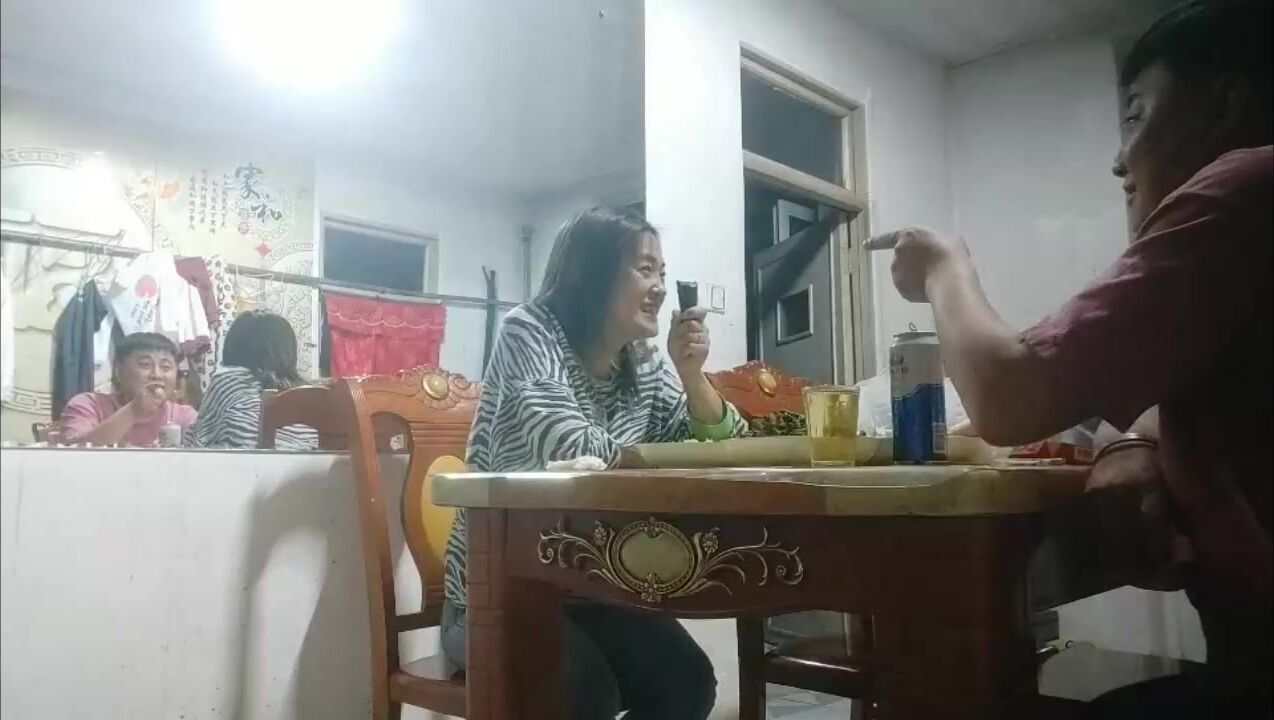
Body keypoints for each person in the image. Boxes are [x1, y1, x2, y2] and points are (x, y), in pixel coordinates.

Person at [869, 1, 1271, 716]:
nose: (1119, 160)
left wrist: (942, 266)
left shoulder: (1246, 188)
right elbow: (1196, 387)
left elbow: (1008, 398)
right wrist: (1131, 441)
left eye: (1135, 115)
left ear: (1225, 105)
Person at [439, 207, 746, 720]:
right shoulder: (529, 331)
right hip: (496, 595)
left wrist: (692, 376)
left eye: (663, 273)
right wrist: (658, 461)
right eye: (645, 269)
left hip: (598, 591)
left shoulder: (642, 358)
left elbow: (722, 446)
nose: (660, 288)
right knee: (583, 691)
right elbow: (567, 445)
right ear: (595, 270)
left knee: (687, 683)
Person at [185, 310, 317, 450]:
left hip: (243, 464)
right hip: (309, 464)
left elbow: (195, 444)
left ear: (234, 347)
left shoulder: (229, 380)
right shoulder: (311, 394)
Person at [60, 332, 197, 446]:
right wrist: (132, 411)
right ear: (118, 371)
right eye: (145, 365)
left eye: (166, 367)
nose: (157, 375)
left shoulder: (184, 416)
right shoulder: (88, 406)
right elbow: (75, 455)